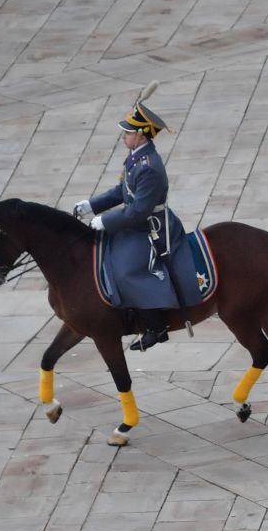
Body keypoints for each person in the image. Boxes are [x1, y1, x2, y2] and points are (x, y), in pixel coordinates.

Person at [74, 91, 187, 353]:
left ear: (142, 135)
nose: (124, 136)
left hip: (151, 227)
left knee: (125, 271)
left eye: (128, 132)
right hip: (135, 222)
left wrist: (106, 221)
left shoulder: (149, 167)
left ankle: (155, 327)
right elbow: (121, 191)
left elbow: (138, 210)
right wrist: (92, 205)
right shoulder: (136, 157)